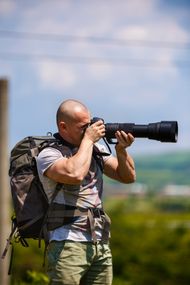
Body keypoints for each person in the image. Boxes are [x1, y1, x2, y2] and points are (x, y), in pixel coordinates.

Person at [36, 99, 136, 285]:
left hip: (100, 241)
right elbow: (75, 174)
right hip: (67, 243)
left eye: (89, 124)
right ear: (63, 127)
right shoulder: (49, 154)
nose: (90, 130)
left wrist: (121, 150)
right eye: (84, 126)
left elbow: (127, 177)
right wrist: (89, 140)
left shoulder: (94, 149)